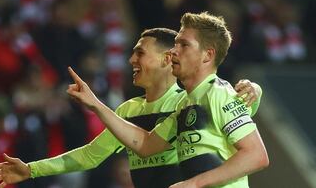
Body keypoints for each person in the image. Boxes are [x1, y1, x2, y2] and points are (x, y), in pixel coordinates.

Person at [0, 28, 262, 188]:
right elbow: (90, 156)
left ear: (168, 58)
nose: (131, 59)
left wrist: (254, 91)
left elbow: (238, 108)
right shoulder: (128, 110)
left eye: (140, 52)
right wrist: (31, 170)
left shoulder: (190, 99)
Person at [64, 12, 268, 188]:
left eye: (184, 44)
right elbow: (145, 145)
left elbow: (256, 155)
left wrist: (194, 183)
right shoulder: (184, 105)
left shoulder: (218, 93)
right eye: (176, 42)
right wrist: (95, 105)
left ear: (207, 55)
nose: (174, 50)